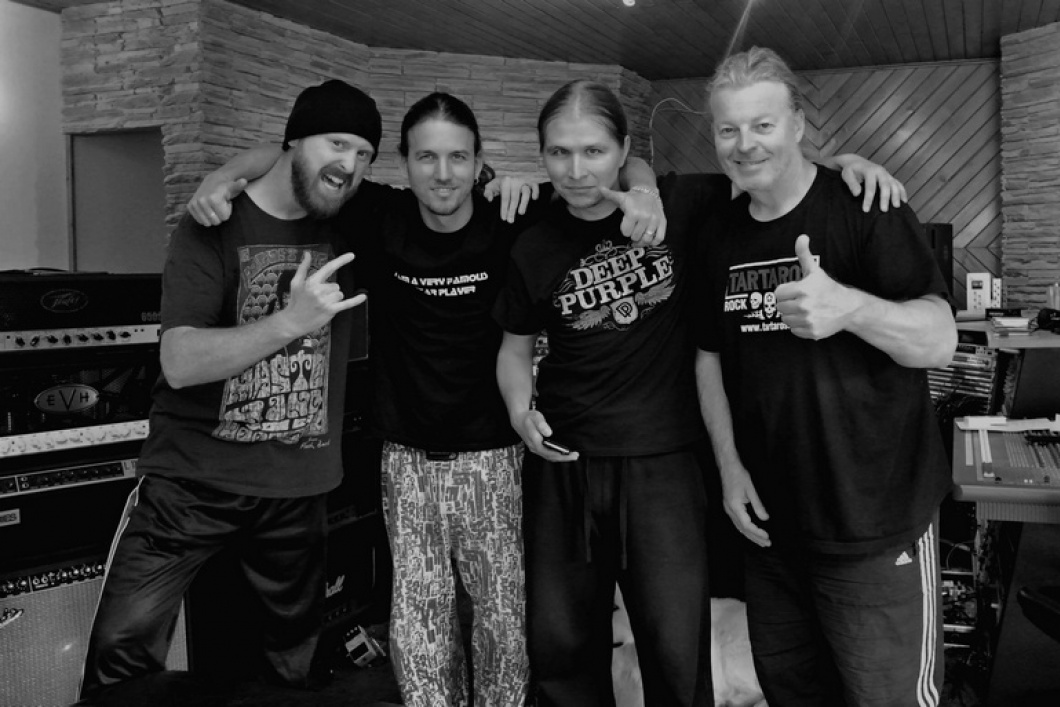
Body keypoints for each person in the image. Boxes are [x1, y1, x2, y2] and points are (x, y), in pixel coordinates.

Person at [185, 90, 665, 707]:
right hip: (407, 460)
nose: (443, 174)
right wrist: (221, 176)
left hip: (496, 459)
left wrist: (646, 190)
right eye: (427, 157)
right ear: (404, 164)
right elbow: (290, 157)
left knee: (505, 625)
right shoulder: (378, 215)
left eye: (458, 157)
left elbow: (616, 167)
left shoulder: (513, 212)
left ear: (479, 161)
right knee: (420, 624)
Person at [493, 78, 909, 707]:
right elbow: (514, 348)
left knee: (676, 647)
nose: (576, 171)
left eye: (594, 151)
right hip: (562, 465)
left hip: (664, 465)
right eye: (559, 153)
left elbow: (773, 171)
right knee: (562, 646)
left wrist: (846, 165)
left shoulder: (685, 203)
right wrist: (519, 410)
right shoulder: (533, 239)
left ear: (624, 150)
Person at [78, 78, 377, 701]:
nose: (349, 164)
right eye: (337, 143)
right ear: (294, 141)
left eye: (364, 153)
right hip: (190, 486)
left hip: (297, 493)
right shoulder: (212, 224)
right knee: (120, 665)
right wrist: (290, 322)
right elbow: (180, 361)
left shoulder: (350, 216)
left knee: (284, 678)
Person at [694, 47, 957, 707]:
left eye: (763, 124)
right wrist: (728, 468)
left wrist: (852, 309)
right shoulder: (718, 231)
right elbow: (709, 357)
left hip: (875, 524)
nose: (745, 144)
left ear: (798, 124)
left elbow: (940, 339)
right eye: (728, 129)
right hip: (772, 531)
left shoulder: (865, 205)